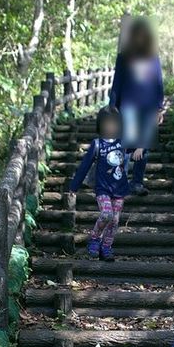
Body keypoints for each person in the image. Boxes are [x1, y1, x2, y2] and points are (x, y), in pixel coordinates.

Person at [108, 17, 165, 196]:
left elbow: (158, 84)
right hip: (128, 105)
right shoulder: (124, 57)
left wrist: (159, 108)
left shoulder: (153, 58)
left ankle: (137, 182)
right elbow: (117, 83)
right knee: (127, 142)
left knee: (144, 145)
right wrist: (112, 105)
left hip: (148, 106)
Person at [67, 105, 128, 261]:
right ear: (100, 125)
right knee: (106, 214)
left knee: (114, 221)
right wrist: (74, 186)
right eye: (107, 123)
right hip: (102, 188)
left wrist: (141, 147)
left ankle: (106, 248)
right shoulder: (97, 144)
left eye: (114, 123)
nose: (110, 127)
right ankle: (94, 238)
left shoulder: (123, 142)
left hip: (119, 188)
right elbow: (84, 166)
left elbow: (138, 142)